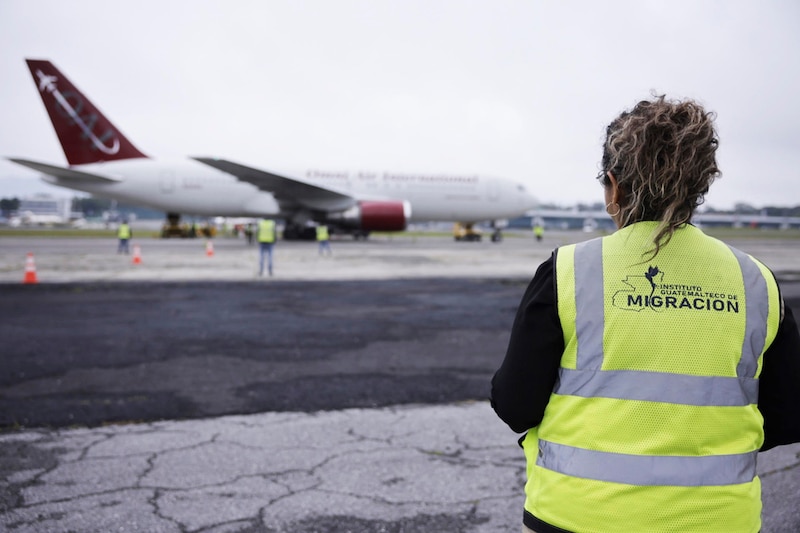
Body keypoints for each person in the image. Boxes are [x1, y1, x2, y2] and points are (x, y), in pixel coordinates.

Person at [491, 95, 800, 533]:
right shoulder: (757, 283)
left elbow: (514, 404)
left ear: (613, 186)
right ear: (699, 186)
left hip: (575, 515)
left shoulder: (568, 271)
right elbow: (788, 417)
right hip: (717, 520)